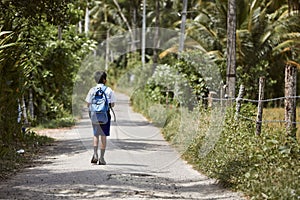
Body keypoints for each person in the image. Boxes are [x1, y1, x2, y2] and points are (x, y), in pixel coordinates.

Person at [85, 71, 116, 165]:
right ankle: (102, 158)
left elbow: (88, 104)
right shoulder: (109, 90)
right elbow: (113, 104)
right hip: (105, 116)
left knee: (95, 135)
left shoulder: (92, 90)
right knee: (103, 136)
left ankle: (95, 154)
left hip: (95, 115)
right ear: (104, 80)